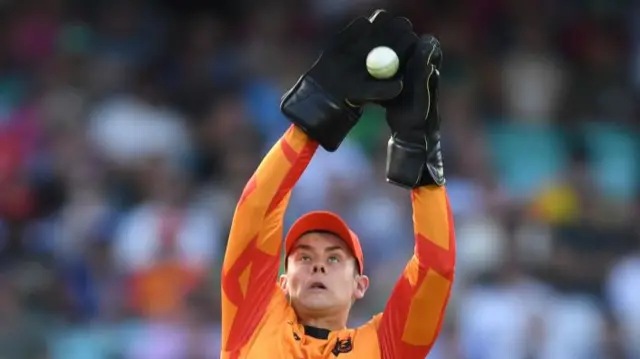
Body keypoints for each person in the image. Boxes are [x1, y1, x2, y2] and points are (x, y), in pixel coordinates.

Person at [220, 10, 456, 359]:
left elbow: (436, 271)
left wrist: (421, 165)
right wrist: (314, 117)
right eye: (303, 257)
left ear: (360, 285)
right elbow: (257, 210)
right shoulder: (253, 320)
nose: (317, 265)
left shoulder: (384, 348)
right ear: (283, 281)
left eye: (334, 259)